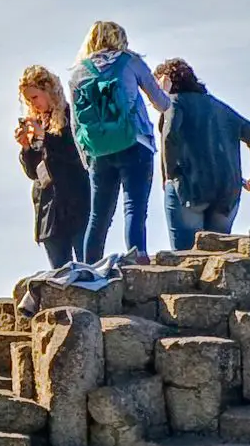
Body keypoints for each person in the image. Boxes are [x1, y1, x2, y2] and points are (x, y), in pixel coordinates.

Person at [64, 20, 166, 274]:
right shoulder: (131, 62)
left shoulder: (78, 73)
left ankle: (87, 270)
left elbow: (76, 124)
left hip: (99, 151)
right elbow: (162, 104)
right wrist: (164, 90)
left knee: (99, 216)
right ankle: (137, 263)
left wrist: (86, 157)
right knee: (133, 206)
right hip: (136, 141)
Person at [154, 58, 250, 248]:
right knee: (217, 254)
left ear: (166, 80)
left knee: (185, 257)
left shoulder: (174, 103)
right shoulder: (221, 108)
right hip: (227, 191)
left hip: (189, 187)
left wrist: (169, 174)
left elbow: (170, 135)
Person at [14, 64, 90, 278]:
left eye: (35, 97)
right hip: (49, 209)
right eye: (28, 100)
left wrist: (44, 138)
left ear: (49, 91)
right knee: (59, 276)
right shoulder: (39, 123)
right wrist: (27, 147)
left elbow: (74, 156)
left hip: (75, 202)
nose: (32, 104)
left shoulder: (71, 116)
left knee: (86, 268)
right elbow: (34, 173)